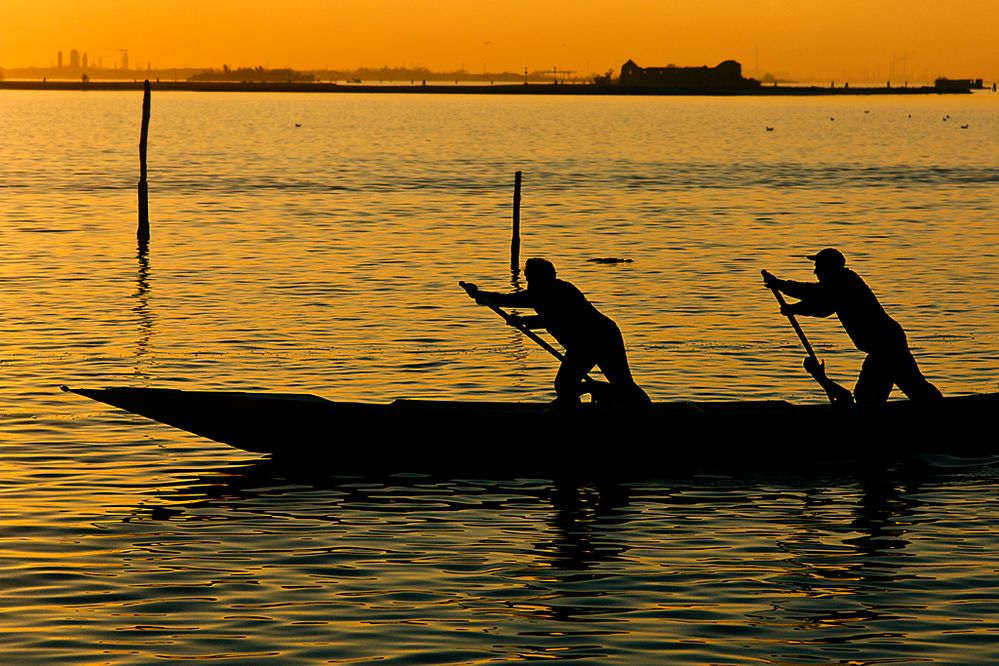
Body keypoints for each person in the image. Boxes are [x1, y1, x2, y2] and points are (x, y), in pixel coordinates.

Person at [462, 258, 651, 409]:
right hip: (583, 344)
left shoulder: (563, 290)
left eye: (532, 280)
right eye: (529, 281)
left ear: (546, 277)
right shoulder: (536, 292)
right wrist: (478, 294)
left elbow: (560, 318)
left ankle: (644, 410)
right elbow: (505, 299)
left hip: (598, 337)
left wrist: (525, 321)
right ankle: (578, 408)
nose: (530, 285)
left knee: (619, 382)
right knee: (566, 385)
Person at [762, 248, 942, 405]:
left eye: (819, 267)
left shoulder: (845, 281)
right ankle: (939, 409)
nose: (815, 271)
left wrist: (782, 288)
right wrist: (794, 308)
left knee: (873, 396)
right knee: (912, 385)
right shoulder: (839, 284)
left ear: (830, 268)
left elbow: (817, 296)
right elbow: (824, 306)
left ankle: (942, 410)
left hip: (884, 345)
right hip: (886, 343)